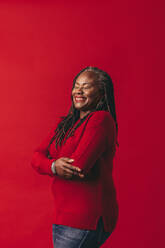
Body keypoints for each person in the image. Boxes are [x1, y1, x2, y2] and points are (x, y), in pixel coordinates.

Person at [31, 66, 119, 248]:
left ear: (101, 94)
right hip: (64, 215)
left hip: (85, 217)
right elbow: (36, 156)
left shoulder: (100, 119)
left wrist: (49, 162)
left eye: (86, 86)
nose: (78, 91)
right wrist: (54, 165)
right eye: (76, 85)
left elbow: (77, 166)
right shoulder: (66, 124)